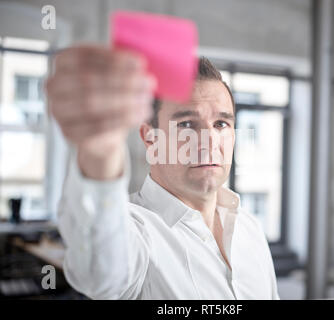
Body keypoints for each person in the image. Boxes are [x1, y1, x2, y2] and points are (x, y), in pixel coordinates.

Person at [45, 45, 279, 299]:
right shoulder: (137, 233)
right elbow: (102, 274)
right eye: (187, 124)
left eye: (221, 123)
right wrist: (100, 149)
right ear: (149, 137)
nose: (210, 141)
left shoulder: (250, 227)